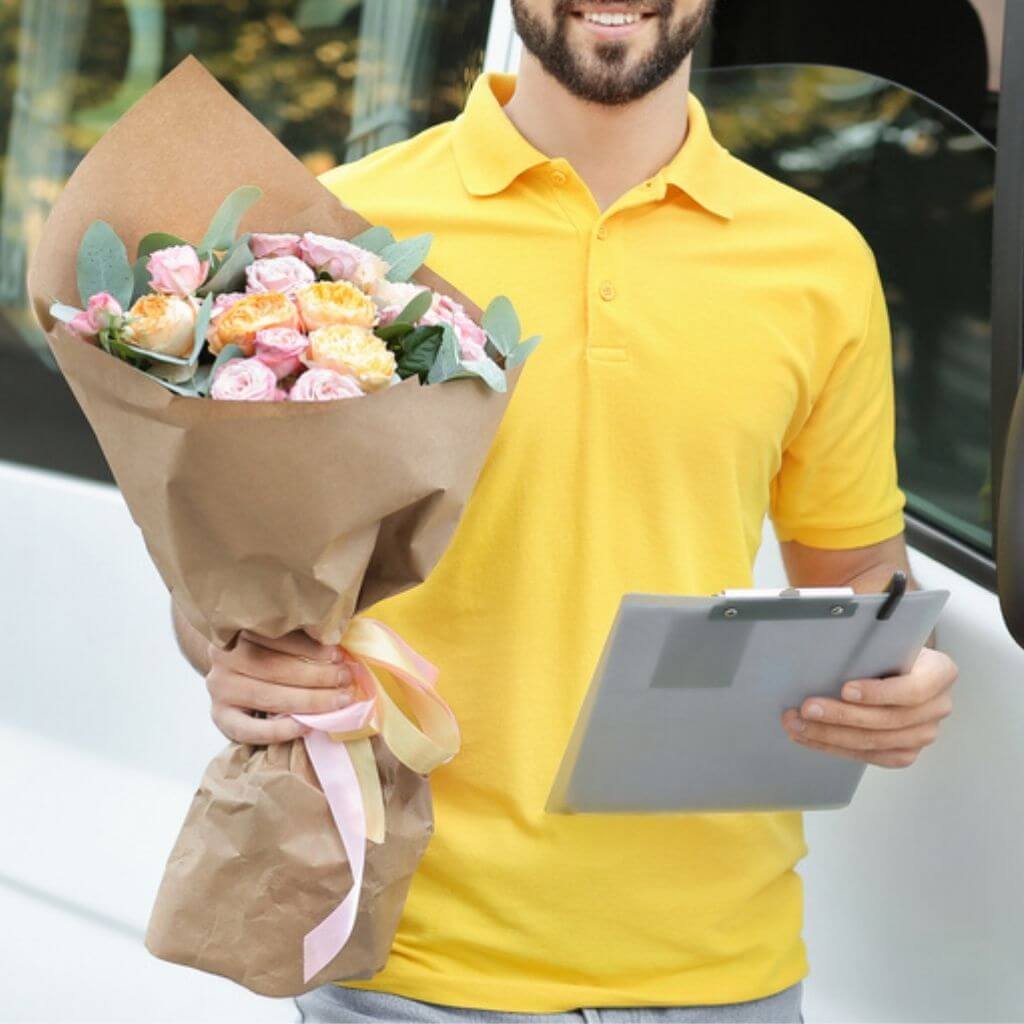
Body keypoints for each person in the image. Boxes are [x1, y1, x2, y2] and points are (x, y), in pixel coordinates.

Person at [173, 2, 959, 1020]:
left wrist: (902, 669)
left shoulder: (817, 258)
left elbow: (855, 574)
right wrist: (227, 655)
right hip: (411, 959)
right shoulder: (338, 233)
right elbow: (230, 580)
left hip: (725, 959)